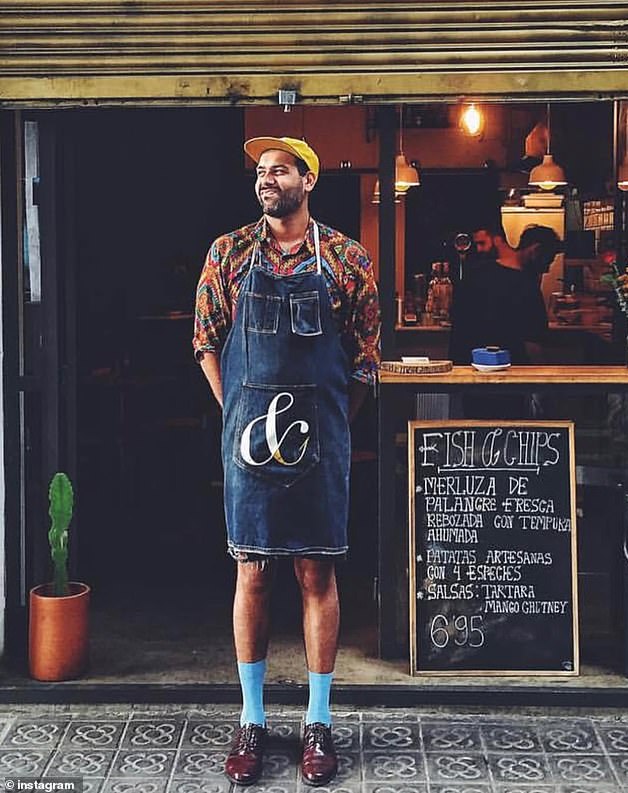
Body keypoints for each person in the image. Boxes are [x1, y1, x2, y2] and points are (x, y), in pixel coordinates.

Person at [192, 136, 380, 787]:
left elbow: (364, 361)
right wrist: (234, 415)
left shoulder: (348, 261)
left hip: (319, 443)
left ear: (308, 180)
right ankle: (250, 718)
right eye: (261, 171)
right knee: (252, 572)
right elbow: (207, 343)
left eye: (280, 169)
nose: (266, 179)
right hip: (248, 440)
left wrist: (331, 423)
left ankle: (318, 721)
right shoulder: (229, 255)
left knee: (314, 572)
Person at [450, 223, 562, 366]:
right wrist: (547, 379)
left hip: (470, 366)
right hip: (511, 371)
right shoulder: (527, 287)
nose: (546, 269)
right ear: (535, 250)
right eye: (547, 260)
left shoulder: (476, 274)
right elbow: (533, 345)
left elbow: (458, 325)